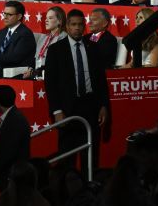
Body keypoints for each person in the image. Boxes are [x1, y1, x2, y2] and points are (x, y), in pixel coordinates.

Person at [43, 9, 110, 168]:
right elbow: (50, 83)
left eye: (80, 24)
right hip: (67, 109)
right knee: (67, 159)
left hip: (91, 107)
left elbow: (100, 81)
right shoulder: (56, 50)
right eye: (73, 24)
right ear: (67, 26)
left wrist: (103, 105)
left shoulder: (93, 48)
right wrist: (57, 111)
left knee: (91, 156)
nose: (77, 28)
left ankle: (90, 187)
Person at [0, 85, 30, 192]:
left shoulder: (15, 120)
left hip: (13, 177)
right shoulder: (11, 117)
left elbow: (8, 151)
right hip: (8, 175)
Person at [32, 6, 67, 77]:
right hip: (38, 76)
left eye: (50, 18)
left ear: (59, 21)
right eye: (46, 18)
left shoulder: (65, 38)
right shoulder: (43, 38)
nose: (46, 20)